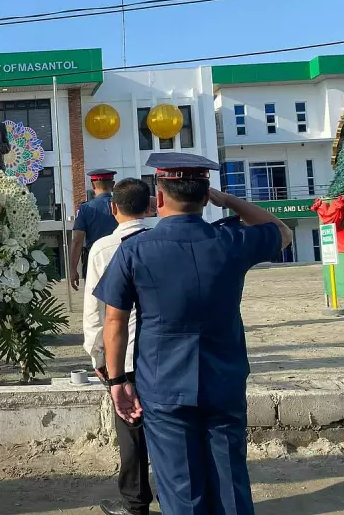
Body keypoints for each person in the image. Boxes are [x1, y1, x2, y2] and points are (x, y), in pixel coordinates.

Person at [95, 153, 293, 515]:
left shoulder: (134, 250)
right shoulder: (231, 240)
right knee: (230, 483)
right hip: (224, 381)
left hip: (163, 385)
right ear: (206, 197)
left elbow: (114, 321)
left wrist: (117, 379)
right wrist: (230, 200)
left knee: (182, 489)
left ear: (158, 197)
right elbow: (283, 233)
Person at [82, 178, 153, 515]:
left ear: (113, 209)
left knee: (131, 430)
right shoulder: (159, 240)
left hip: (121, 356)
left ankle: (135, 505)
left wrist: (97, 356)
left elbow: (95, 312)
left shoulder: (104, 249)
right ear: (150, 206)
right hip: (159, 354)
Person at [70, 169, 118, 290]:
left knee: (95, 301)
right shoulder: (121, 205)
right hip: (119, 257)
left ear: (92, 185)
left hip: (94, 259)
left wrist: (73, 269)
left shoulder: (86, 208)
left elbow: (77, 241)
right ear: (113, 184)